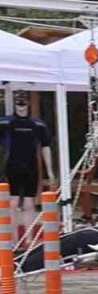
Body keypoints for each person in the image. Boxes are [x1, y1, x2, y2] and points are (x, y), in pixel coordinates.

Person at [0, 90, 55, 239]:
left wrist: (50, 171)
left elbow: (45, 146)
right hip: (12, 165)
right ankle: (13, 239)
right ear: (15, 103)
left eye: (23, 102)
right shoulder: (5, 122)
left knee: (29, 203)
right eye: (18, 102)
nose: (21, 106)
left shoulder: (37, 124)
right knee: (13, 202)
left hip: (31, 167)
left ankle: (28, 239)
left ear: (28, 103)